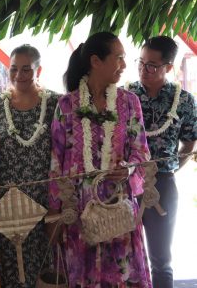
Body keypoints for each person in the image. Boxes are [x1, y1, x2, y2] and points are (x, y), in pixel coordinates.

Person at [49, 32, 152, 287]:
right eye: (119, 58)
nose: (125, 65)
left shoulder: (129, 103)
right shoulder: (66, 105)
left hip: (118, 206)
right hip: (79, 211)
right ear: (96, 61)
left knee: (122, 276)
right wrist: (56, 213)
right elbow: (55, 163)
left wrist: (128, 170)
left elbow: (142, 153)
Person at [0, 44, 60, 287]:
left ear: (39, 71)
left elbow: (62, 151)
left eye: (26, 69)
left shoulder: (55, 104)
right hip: (5, 202)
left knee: (41, 268)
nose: (19, 76)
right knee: (9, 268)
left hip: (42, 200)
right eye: (14, 69)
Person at [127, 36, 196, 288]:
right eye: (141, 63)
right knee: (125, 256)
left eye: (152, 65)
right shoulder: (125, 96)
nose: (144, 70)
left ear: (169, 67)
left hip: (163, 185)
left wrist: (172, 169)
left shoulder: (185, 101)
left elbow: (189, 143)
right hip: (126, 184)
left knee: (161, 259)